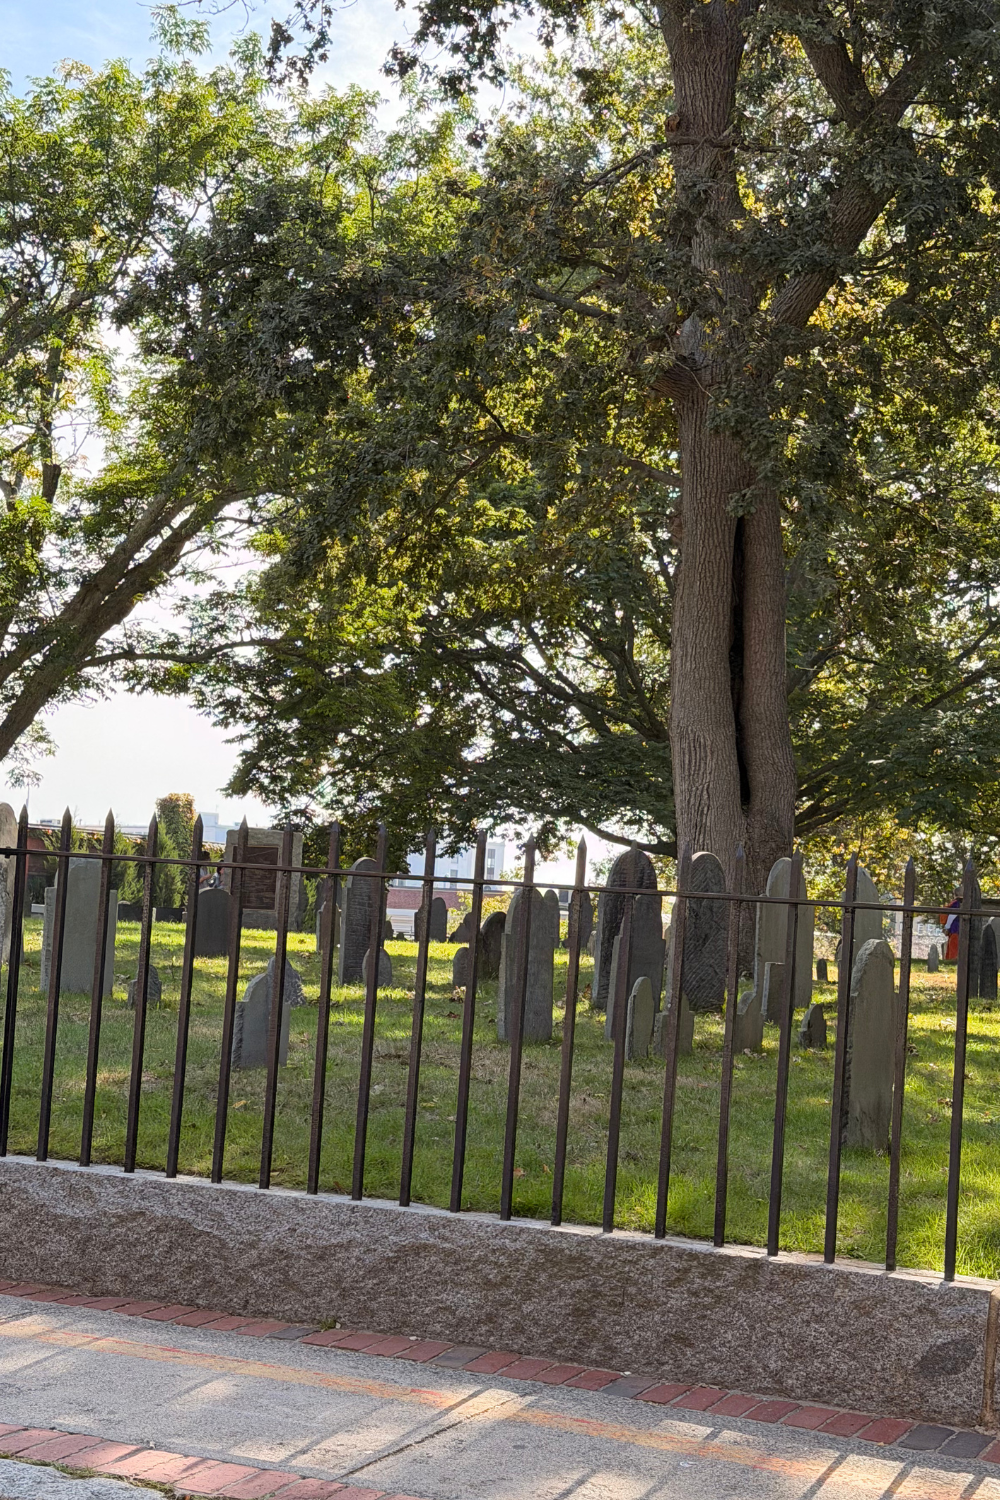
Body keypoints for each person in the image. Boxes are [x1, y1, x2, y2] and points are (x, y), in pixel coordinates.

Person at [941, 891, 962, 962]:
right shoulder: (965, 903)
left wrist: (947, 927)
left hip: (955, 929)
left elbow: (951, 916)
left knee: (953, 946)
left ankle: (952, 961)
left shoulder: (955, 903)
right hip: (960, 929)